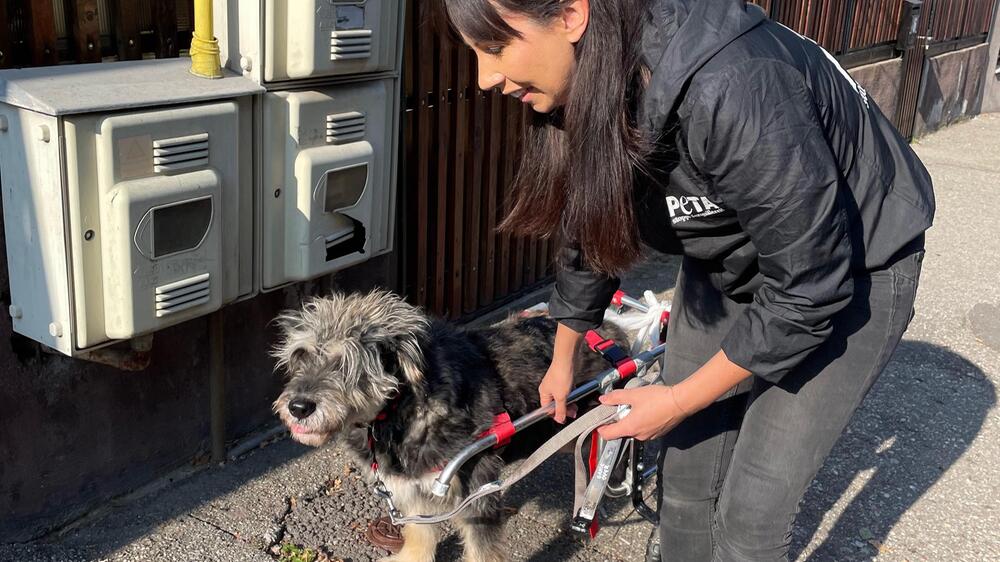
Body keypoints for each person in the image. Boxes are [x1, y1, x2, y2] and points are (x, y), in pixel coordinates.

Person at [439, 0, 934, 560]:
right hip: (730, 250)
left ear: (572, 15)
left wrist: (676, 400)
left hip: (849, 266)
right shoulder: (586, 76)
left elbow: (808, 285)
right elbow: (592, 221)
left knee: (751, 517)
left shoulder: (733, 82)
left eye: (496, 47)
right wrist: (563, 353)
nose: (485, 78)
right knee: (685, 482)